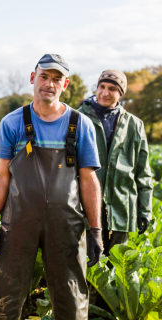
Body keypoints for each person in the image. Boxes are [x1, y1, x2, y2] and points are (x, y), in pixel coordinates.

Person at [0, 54, 103, 319]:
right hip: (19, 221)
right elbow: (2, 176)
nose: (49, 83)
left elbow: (89, 180)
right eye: (44, 76)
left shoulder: (80, 124)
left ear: (65, 84)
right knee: (5, 292)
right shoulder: (12, 122)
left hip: (66, 224)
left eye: (56, 79)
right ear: (33, 78)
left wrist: (95, 230)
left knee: (71, 295)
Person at [79, 70, 153, 255]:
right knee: (87, 264)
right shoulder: (78, 118)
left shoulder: (135, 125)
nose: (105, 92)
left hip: (122, 207)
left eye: (112, 89)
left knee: (116, 266)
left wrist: (145, 210)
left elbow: (143, 172)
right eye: (101, 87)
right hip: (84, 207)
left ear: (121, 93)